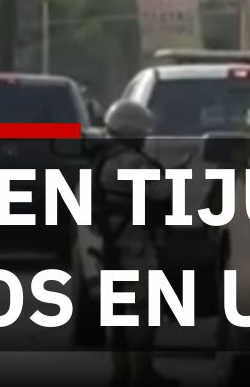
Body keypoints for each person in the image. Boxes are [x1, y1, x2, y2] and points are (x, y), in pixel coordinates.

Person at [92, 99, 177, 387]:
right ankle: (142, 372)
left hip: (109, 248)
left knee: (116, 313)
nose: (145, 138)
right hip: (135, 248)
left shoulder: (102, 162)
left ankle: (121, 372)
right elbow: (159, 192)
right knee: (143, 311)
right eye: (142, 132)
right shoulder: (132, 163)